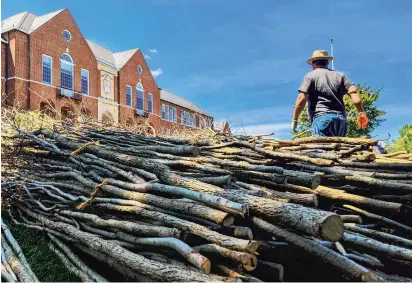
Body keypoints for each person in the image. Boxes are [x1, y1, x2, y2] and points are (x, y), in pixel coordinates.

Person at [291, 50, 369, 137]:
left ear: (313, 64)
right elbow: (354, 93)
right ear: (327, 63)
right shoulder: (340, 76)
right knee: (339, 149)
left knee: (322, 150)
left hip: (322, 119)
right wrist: (361, 112)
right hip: (341, 121)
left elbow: (301, 98)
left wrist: (295, 120)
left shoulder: (310, 76)